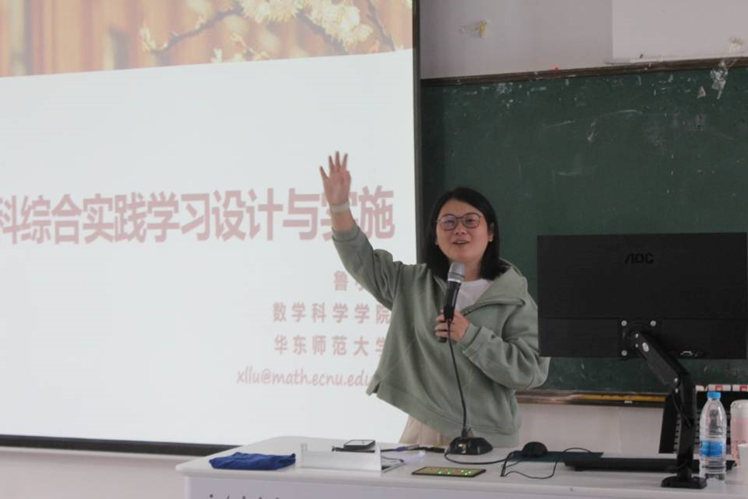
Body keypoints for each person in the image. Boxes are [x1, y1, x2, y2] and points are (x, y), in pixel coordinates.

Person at [319, 151, 549, 448]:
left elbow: (531, 371)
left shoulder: (514, 297)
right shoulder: (412, 283)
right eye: (448, 222)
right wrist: (339, 206)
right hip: (426, 428)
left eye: (470, 221)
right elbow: (360, 259)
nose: (460, 230)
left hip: (490, 437)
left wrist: (470, 336)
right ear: (436, 237)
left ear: (490, 232)